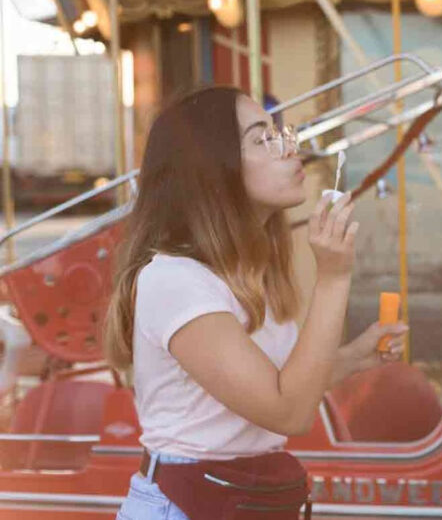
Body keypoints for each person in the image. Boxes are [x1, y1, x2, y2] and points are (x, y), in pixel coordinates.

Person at [103, 87, 408, 519]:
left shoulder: (250, 272)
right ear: (213, 170)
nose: (288, 148)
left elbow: (281, 387)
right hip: (187, 503)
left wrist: (355, 358)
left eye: (278, 133)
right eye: (261, 138)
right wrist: (335, 276)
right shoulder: (176, 280)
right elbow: (289, 412)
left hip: (240, 499)